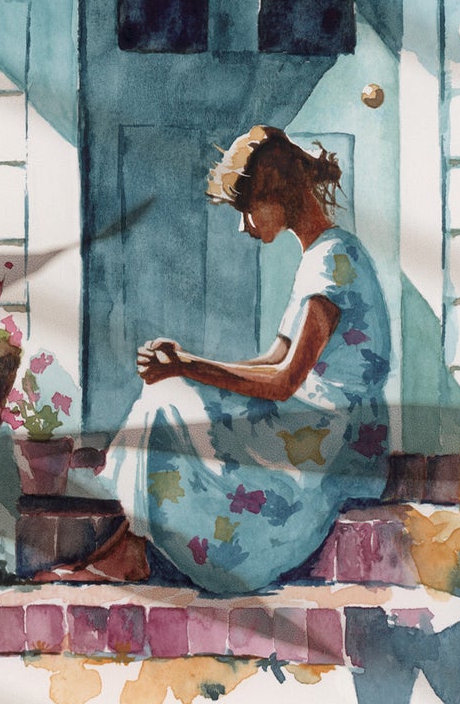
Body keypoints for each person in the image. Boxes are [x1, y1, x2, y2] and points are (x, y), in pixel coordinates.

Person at [40, 125, 391, 593]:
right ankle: (130, 545)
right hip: (314, 423)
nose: (244, 225)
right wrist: (187, 362)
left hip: (332, 439)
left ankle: (132, 552)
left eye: (246, 209)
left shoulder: (332, 261)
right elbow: (274, 359)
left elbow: (285, 380)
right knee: (172, 390)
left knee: (169, 401)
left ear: (276, 196)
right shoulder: (323, 256)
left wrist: (186, 369)